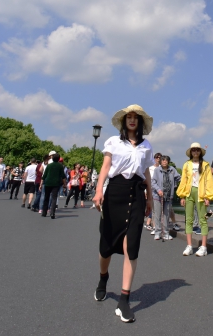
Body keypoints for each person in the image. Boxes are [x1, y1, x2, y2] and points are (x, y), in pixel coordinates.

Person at [92, 104, 154, 323]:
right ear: (124, 121)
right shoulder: (113, 141)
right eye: (128, 117)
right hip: (115, 193)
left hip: (137, 194)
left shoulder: (147, 146)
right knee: (106, 246)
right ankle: (103, 278)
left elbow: (146, 171)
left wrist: (149, 198)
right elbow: (106, 166)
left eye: (135, 117)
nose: (132, 120)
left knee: (132, 247)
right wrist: (99, 190)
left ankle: (124, 300)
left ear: (140, 122)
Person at [176, 143, 213, 257]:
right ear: (191, 152)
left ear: (200, 152)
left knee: (203, 219)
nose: (195, 152)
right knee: (188, 220)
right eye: (193, 150)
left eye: (197, 150)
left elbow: (209, 181)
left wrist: (208, 196)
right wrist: (182, 196)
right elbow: (183, 180)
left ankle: (203, 247)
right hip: (189, 192)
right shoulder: (186, 165)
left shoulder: (205, 165)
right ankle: (189, 245)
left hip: (201, 193)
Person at [151, 155, 180, 241]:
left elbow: (179, 177)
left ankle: (166, 232)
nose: (164, 162)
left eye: (166, 160)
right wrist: (159, 190)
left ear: (168, 161)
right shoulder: (157, 170)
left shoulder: (172, 170)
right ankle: (157, 232)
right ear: (160, 162)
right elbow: (153, 182)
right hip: (158, 196)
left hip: (168, 196)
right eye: (163, 160)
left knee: (166, 215)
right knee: (158, 214)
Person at [41, 152, 66, 219]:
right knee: (54, 198)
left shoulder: (49, 165)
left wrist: (41, 184)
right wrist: (64, 184)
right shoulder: (60, 166)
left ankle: (44, 212)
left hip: (48, 183)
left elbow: (44, 175)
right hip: (56, 183)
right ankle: (52, 213)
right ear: (58, 159)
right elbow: (63, 176)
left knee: (46, 197)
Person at [146, 153, 162, 232]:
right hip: (150, 189)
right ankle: (152, 224)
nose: (158, 159)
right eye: (156, 157)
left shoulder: (161, 168)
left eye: (159, 158)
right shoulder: (150, 167)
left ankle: (151, 224)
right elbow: (147, 179)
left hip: (158, 190)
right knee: (152, 207)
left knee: (155, 208)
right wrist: (146, 190)